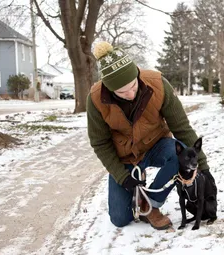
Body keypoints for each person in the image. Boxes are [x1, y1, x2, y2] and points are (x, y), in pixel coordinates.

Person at [87, 41, 215, 230]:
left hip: (156, 145)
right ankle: (135, 190)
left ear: (137, 74)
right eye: (122, 92)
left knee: (178, 154)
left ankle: (150, 205)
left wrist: (203, 168)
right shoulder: (96, 99)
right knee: (120, 219)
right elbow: (100, 144)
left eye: (133, 86)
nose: (130, 94)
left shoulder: (158, 85)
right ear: (109, 88)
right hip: (125, 156)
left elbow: (182, 128)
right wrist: (123, 177)